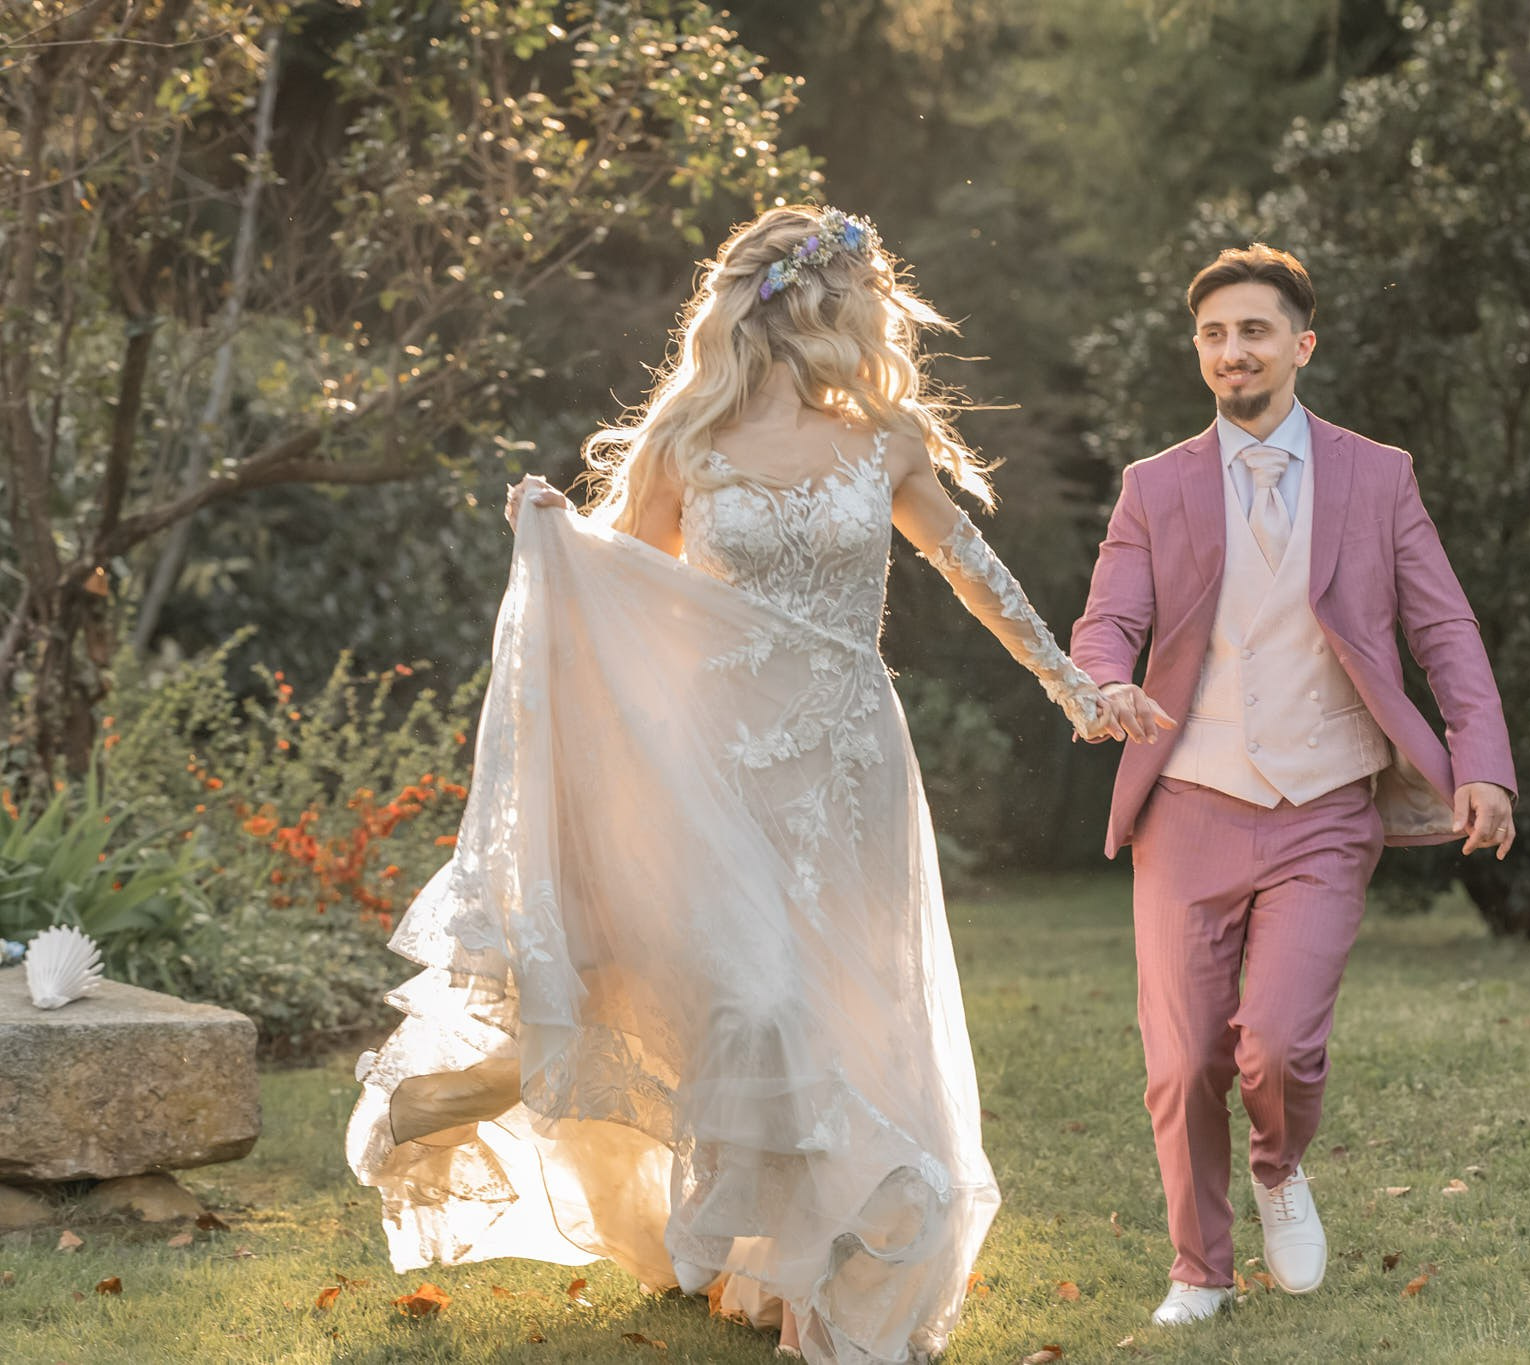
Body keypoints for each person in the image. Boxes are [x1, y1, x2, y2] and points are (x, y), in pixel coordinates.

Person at [346, 205, 1107, 1364]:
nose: (866, 317)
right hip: (717, 769)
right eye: (855, 296)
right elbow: (623, 599)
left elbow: (969, 568)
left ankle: (810, 1279)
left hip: (849, 764)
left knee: (848, 1017)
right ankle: (472, 1100)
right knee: (754, 1007)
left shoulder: (883, 441)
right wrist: (556, 544)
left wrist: (1069, 684)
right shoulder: (683, 445)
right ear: (803, 307)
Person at [1070, 244, 1518, 1326]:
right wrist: (1100, 684)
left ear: (1299, 346)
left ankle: (1278, 1166)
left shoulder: (1377, 474)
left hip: (1323, 801)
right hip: (1188, 798)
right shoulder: (1154, 486)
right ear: (1198, 351)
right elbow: (1109, 619)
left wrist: (1484, 765)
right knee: (1181, 1063)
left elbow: (1441, 624)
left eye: (1254, 331)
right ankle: (1198, 1268)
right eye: (1215, 334)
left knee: (1274, 1043)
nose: (1234, 350)